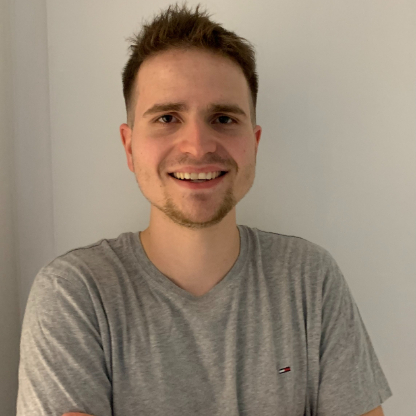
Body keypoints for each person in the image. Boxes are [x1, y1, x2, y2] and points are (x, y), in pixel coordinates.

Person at [16, 3, 392, 416]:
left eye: (223, 119)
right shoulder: (75, 294)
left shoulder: (309, 279)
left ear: (254, 143)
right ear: (129, 146)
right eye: (167, 118)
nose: (197, 146)